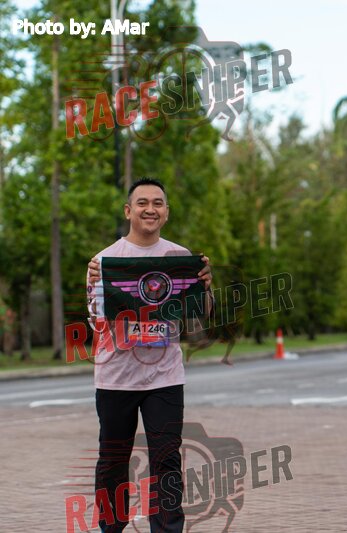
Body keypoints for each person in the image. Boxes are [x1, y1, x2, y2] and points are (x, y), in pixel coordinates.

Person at [86, 177, 212, 532]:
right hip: (115, 378)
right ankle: (111, 527)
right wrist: (97, 286)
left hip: (165, 377)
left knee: (166, 461)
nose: (150, 209)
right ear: (128, 211)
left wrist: (206, 285)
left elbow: (201, 314)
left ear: (166, 212)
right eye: (142, 203)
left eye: (157, 203)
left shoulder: (181, 259)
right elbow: (95, 321)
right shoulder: (104, 261)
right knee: (113, 463)